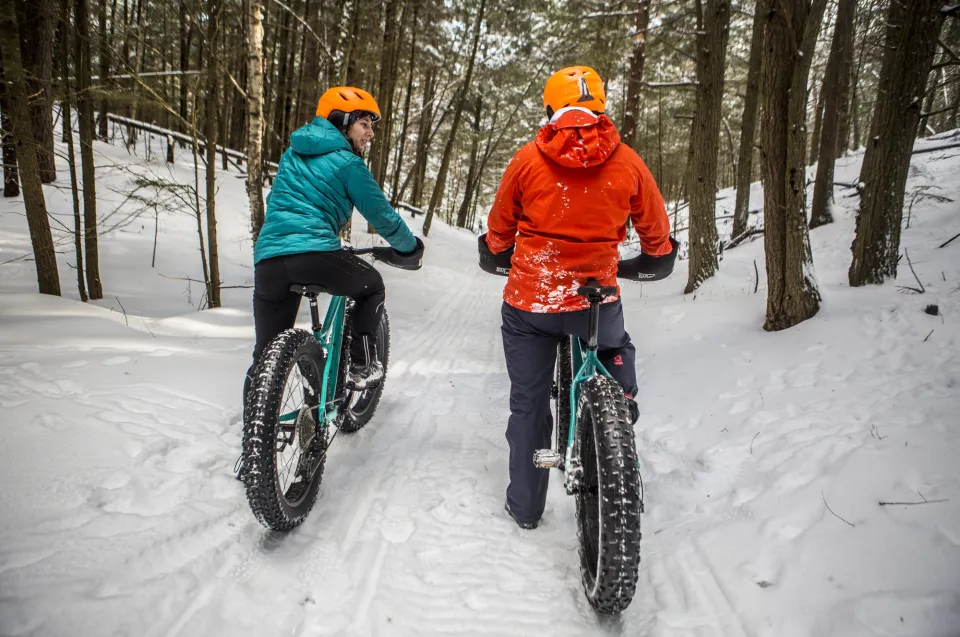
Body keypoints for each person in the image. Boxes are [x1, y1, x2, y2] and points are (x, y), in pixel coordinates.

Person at [478, 66, 677, 530]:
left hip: (533, 300)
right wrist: (650, 257)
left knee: (528, 401)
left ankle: (526, 508)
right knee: (611, 346)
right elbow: (657, 238)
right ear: (599, 108)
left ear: (551, 110)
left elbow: (498, 233)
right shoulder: (627, 161)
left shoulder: (528, 159)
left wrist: (501, 253)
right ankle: (618, 413)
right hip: (595, 298)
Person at [247, 86, 423, 403]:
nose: (370, 133)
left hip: (269, 261)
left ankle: (256, 444)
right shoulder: (348, 164)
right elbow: (381, 215)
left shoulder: (291, 155)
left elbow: (276, 201)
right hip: (313, 254)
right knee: (371, 286)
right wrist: (409, 248)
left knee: (264, 359)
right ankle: (360, 365)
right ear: (341, 122)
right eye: (364, 124)